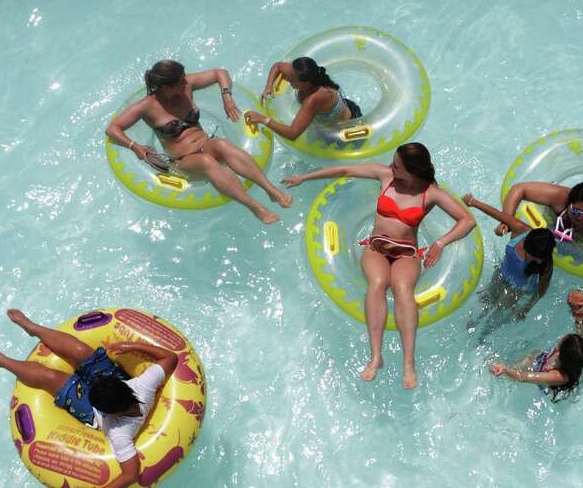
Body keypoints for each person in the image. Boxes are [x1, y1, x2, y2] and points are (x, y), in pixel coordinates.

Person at [282, 142, 475, 389]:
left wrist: (440, 243)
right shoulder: (386, 176)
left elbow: (467, 221)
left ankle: (408, 363)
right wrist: (304, 177)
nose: (391, 166)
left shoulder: (430, 193)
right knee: (378, 284)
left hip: (406, 254)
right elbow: (344, 171)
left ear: (412, 171)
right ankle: (376, 357)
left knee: (403, 290)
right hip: (376, 249)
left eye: (397, 165)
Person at [0, 309, 178, 488]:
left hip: (92, 413)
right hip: (110, 390)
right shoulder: (143, 385)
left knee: (52, 377)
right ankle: (32, 327)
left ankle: (1, 361)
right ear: (125, 385)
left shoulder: (120, 434)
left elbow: (131, 475)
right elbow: (171, 358)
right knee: (82, 352)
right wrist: (131, 344)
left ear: (112, 413)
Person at [105, 59, 292, 224]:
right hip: (182, 161)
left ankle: (271, 190)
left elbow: (220, 73)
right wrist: (135, 147)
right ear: (167, 88)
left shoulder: (186, 87)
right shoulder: (146, 107)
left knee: (220, 144)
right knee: (205, 162)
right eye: (181, 81)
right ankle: (255, 208)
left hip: (206, 145)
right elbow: (112, 129)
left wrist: (226, 96)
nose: (186, 82)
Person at [496, 181, 583, 319]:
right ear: (569, 203)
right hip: (552, 234)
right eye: (575, 212)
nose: (579, 218)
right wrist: (506, 220)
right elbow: (519, 189)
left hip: (581, 249)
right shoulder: (559, 197)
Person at [462, 193, 556, 319]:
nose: (538, 262)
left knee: (496, 313)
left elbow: (541, 290)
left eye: (540, 259)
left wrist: (526, 309)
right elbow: (497, 214)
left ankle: (483, 335)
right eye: (533, 257)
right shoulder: (520, 229)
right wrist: (473, 202)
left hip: (518, 289)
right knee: (486, 300)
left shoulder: (546, 264)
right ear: (526, 244)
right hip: (502, 272)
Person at [244, 57, 362, 141]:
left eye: (291, 78)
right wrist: (268, 87)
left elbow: (293, 134)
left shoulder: (313, 100)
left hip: (344, 128)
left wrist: (263, 119)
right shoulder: (311, 76)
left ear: (306, 83)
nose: (287, 78)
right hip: (343, 108)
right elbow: (278, 66)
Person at [489, 332, 583, 402]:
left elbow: (522, 377)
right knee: (531, 356)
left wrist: (505, 369)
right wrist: (579, 320)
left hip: (544, 384)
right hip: (539, 361)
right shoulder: (570, 355)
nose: (565, 336)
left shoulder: (558, 376)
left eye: (566, 338)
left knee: (496, 368)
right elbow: (580, 335)